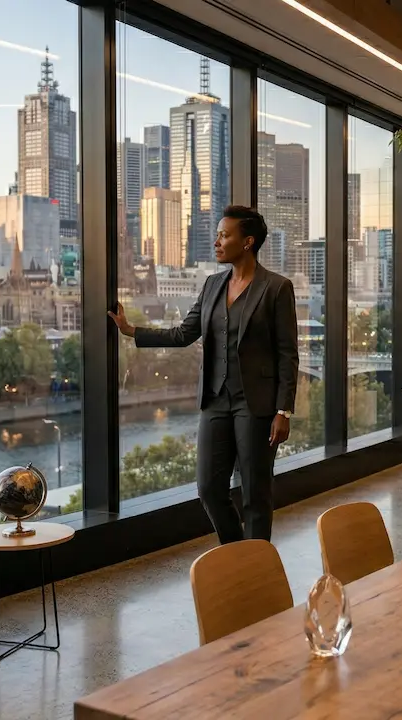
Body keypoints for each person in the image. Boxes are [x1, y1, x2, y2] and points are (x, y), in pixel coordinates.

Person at [108, 206, 299, 543]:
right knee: (209, 488)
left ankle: (255, 572)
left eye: (225, 235)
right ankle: (239, 552)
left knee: (256, 493)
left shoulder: (276, 288)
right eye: (218, 234)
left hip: (257, 405)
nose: (217, 241)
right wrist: (132, 331)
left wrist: (283, 410)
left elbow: (288, 354)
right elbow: (183, 334)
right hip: (215, 400)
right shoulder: (212, 285)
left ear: (248, 241)